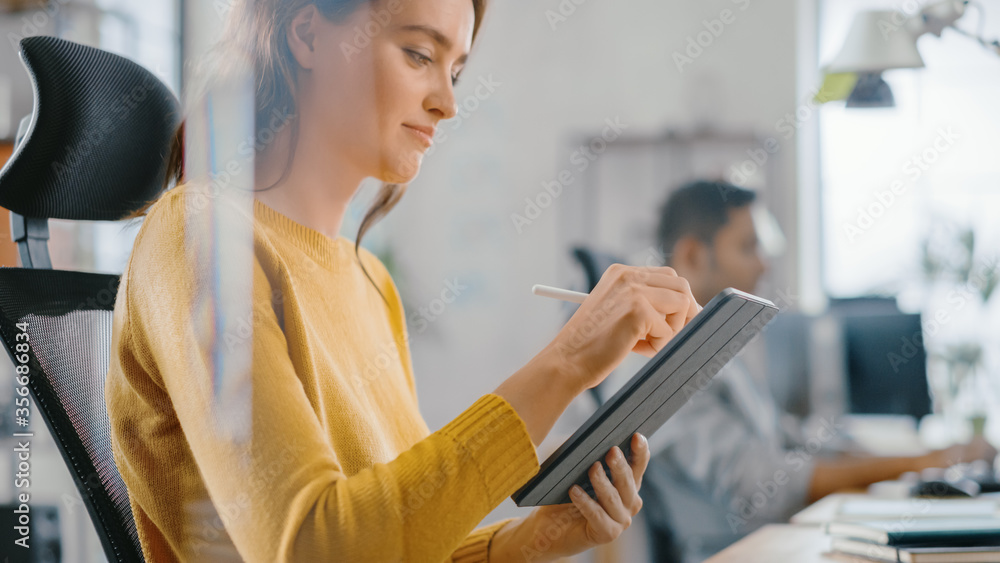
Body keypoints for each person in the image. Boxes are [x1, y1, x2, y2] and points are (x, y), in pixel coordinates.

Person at [104, 1, 705, 562]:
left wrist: (528, 541)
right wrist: (567, 362)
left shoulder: (372, 282)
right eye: (419, 55)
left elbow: (392, 542)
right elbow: (313, 543)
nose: (447, 101)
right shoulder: (197, 240)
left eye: (457, 71)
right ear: (308, 35)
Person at [642, 180, 996, 561]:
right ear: (693, 255)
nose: (764, 262)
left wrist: (912, 455)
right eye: (748, 247)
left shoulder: (715, 355)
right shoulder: (667, 368)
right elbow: (767, 488)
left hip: (774, 544)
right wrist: (918, 463)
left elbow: (786, 437)